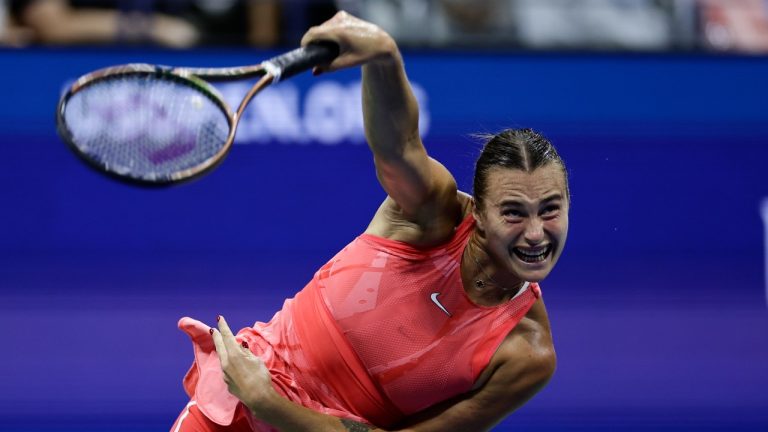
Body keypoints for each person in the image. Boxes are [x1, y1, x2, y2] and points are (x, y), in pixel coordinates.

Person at [172, 11, 568, 432]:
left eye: (550, 209)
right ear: (481, 214)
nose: (535, 233)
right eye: (513, 212)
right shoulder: (432, 214)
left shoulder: (525, 353)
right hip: (230, 415)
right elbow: (398, 147)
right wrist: (383, 59)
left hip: (263, 397)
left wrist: (268, 402)